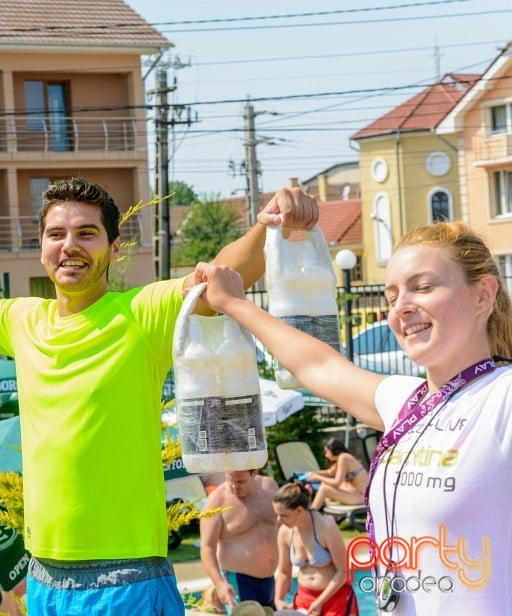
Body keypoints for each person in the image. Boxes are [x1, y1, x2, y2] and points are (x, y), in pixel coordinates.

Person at [0, 176, 318, 616]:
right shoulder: (22, 321)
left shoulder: (140, 315)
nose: (69, 245)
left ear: (114, 248)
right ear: (41, 248)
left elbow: (218, 275)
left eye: (86, 233)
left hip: (130, 577)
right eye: (56, 234)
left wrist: (270, 225)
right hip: (46, 578)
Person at [194, 221, 512, 614]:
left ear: (483, 295)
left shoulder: (502, 398)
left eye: (424, 287)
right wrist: (233, 303)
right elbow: (318, 366)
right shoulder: (405, 403)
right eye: (391, 295)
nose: (402, 307)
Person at [272, 483, 358, 616]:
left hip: (334, 598)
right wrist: (278, 599)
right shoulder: (285, 532)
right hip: (304, 598)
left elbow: (343, 572)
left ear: (299, 510)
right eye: (277, 514)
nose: (279, 520)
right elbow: (284, 573)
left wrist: (320, 601)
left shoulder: (326, 527)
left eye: (284, 515)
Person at [199, 470, 280, 610]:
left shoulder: (270, 487)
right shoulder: (217, 500)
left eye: (241, 481)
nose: (235, 486)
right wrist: (219, 584)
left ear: (254, 473)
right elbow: (206, 547)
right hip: (238, 581)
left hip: (270, 580)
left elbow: (285, 521)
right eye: (230, 480)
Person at [305, 438, 367, 511]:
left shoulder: (343, 458)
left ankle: (312, 515)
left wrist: (317, 477)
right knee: (325, 485)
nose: (326, 455)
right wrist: (311, 473)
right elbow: (329, 472)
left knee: (324, 489)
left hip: (362, 497)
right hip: (356, 494)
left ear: (332, 450)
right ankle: (330, 519)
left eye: (326, 452)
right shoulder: (342, 458)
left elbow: (337, 483)